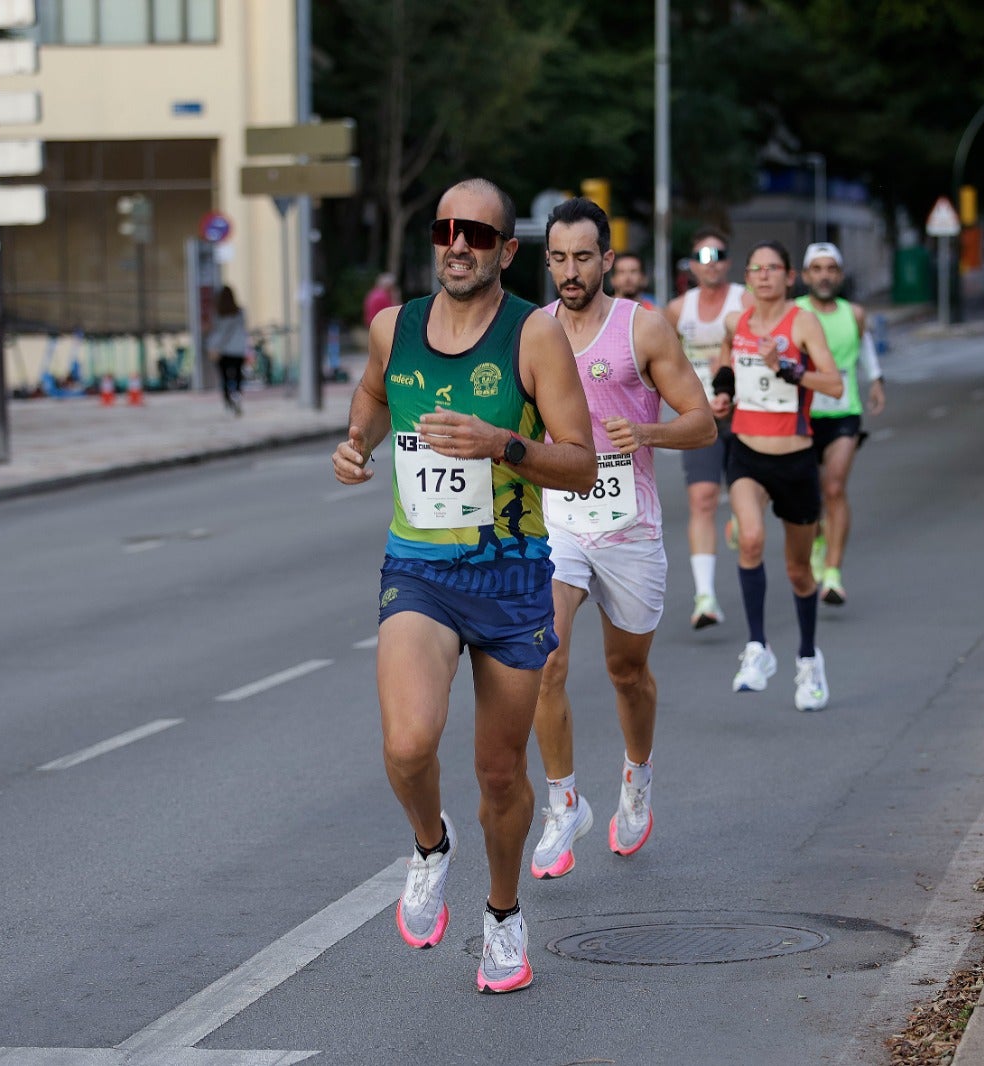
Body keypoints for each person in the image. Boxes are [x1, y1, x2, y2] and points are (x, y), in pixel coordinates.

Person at [331, 178, 597, 995]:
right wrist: (354, 441)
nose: (457, 244)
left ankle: (505, 914)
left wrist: (500, 444)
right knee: (409, 744)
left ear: (506, 251)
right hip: (420, 568)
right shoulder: (394, 327)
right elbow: (377, 393)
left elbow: (582, 463)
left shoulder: (534, 336)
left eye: (477, 234)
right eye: (447, 229)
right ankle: (428, 844)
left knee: (499, 775)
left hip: (512, 575)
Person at [527, 197, 715, 880]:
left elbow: (702, 423)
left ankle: (637, 778)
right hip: (559, 520)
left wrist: (651, 433)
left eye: (583, 256)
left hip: (629, 524)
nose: (570, 271)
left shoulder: (645, 329)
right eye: (559, 258)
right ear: (546, 261)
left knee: (626, 672)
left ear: (607, 259)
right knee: (544, 657)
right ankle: (562, 802)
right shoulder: (532, 329)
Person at [709, 241, 843, 710]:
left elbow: (834, 383)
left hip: (796, 458)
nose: (763, 276)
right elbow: (724, 361)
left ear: (790, 277)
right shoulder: (736, 321)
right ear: (748, 277)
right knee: (748, 540)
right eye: (755, 269)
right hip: (746, 450)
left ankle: (808, 659)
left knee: (799, 571)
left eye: (773, 269)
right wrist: (722, 393)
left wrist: (786, 368)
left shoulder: (803, 323)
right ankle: (758, 648)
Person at [665, 229, 752, 631]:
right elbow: (662, 363)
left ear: (727, 262)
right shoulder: (678, 310)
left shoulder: (745, 301)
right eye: (701, 255)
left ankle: (742, 515)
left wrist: (731, 391)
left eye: (717, 254)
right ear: (692, 264)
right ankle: (705, 597)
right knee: (702, 500)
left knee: (749, 498)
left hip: (747, 413)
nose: (710, 261)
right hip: (701, 416)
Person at [794, 242, 886, 604]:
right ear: (805, 276)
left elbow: (865, 345)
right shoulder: (794, 312)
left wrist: (876, 379)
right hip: (801, 414)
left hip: (844, 412)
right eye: (816, 269)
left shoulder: (855, 313)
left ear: (840, 275)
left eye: (830, 268)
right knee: (810, 496)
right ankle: (817, 539)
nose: (824, 275)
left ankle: (832, 571)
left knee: (834, 488)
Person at [205, 285, 249, 415]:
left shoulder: (217, 314)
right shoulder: (240, 312)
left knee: (224, 377)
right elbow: (243, 330)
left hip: (222, 350)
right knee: (237, 376)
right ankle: (237, 397)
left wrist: (212, 347)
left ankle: (228, 401)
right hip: (238, 350)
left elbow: (217, 333)